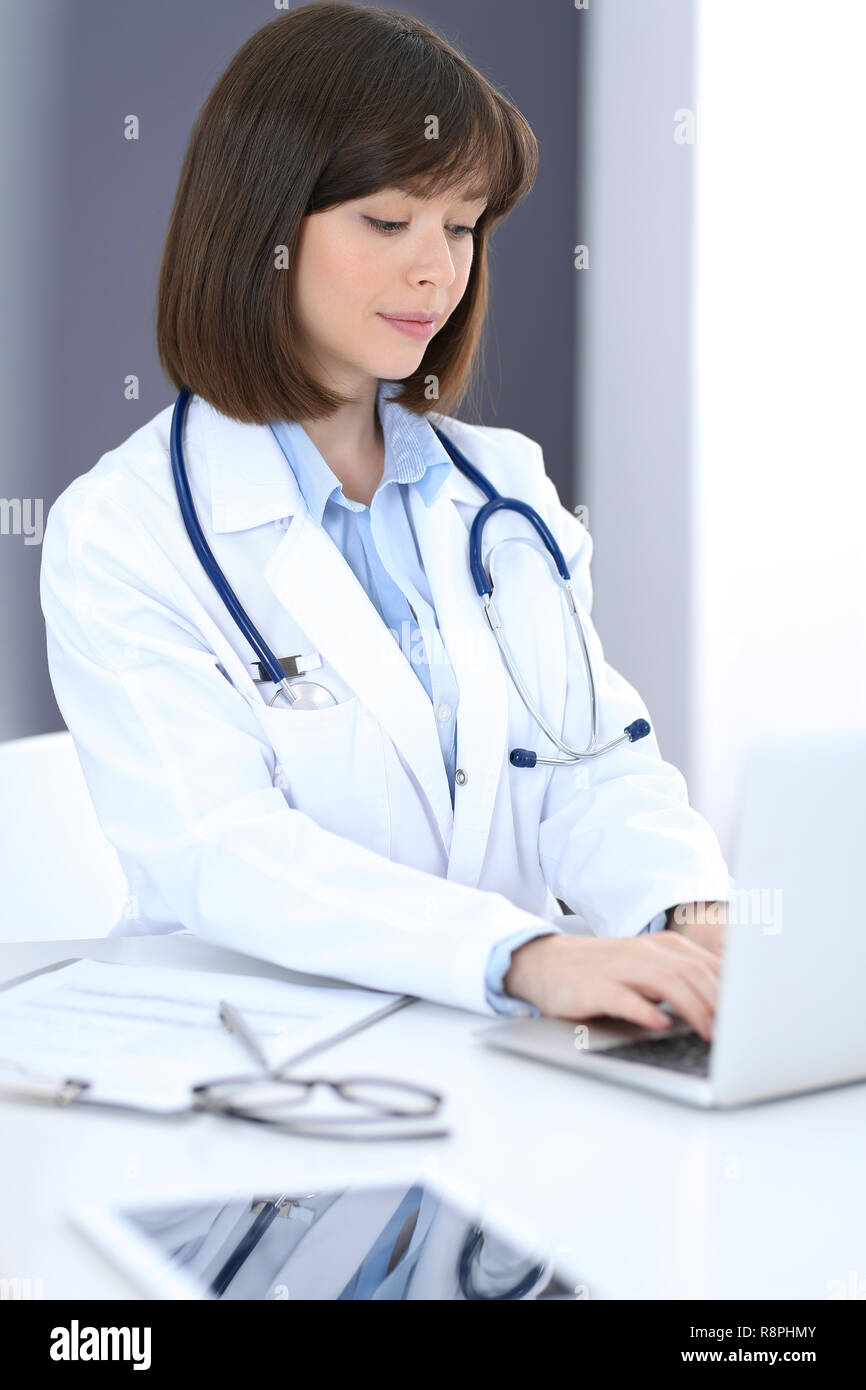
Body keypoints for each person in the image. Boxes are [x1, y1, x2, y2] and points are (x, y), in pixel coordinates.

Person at [40, 3, 734, 1037]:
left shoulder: (502, 493)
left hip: (486, 1058)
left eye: (459, 225)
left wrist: (686, 915)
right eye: (386, 220)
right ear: (262, 223)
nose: (436, 270)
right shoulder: (123, 531)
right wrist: (521, 956)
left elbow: (589, 768)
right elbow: (217, 847)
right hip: (249, 1072)